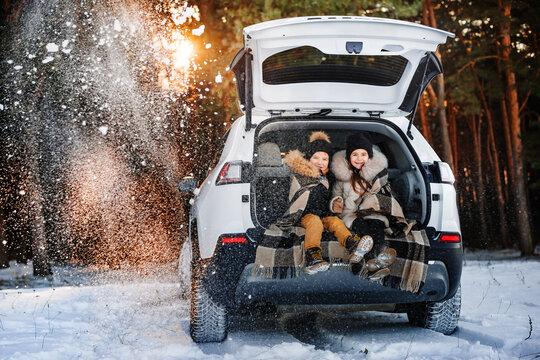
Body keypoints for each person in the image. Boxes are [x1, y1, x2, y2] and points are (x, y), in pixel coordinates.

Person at [294, 131, 374, 274]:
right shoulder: (303, 174)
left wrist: (335, 203)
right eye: (316, 157)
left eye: (324, 158)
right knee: (315, 223)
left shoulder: (330, 177)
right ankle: (313, 256)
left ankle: (352, 244)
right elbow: (300, 198)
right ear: (308, 159)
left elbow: (331, 197)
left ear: (328, 161)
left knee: (335, 222)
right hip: (305, 215)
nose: (320, 162)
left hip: (324, 214)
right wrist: (319, 188)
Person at [330, 133, 400, 281]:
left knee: (376, 225)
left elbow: (385, 194)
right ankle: (370, 261)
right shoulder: (342, 180)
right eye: (355, 154)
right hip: (350, 214)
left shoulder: (376, 177)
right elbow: (335, 196)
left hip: (372, 213)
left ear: (369, 156)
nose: (359, 158)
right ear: (348, 157)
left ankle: (380, 253)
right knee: (363, 230)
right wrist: (336, 203)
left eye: (363, 154)